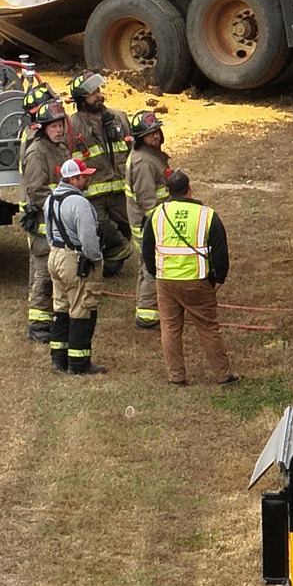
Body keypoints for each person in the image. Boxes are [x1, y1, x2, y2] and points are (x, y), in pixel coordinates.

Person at [141, 170, 236, 387]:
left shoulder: (157, 214)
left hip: (166, 281)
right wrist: (219, 277)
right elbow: (220, 252)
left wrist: (156, 274)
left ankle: (176, 376)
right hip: (197, 280)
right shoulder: (206, 215)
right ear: (189, 189)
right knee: (208, 327)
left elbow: (147, 249)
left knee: (170, 329)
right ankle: (224, 375)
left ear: (168, 192)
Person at [43, 156, 106, 375]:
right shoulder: (79, 203)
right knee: (82, 309)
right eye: (84, 176)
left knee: (61, 308)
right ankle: (79, 364)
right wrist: (96, 259)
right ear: (73, 179)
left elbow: (49, 233)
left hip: (55, 256)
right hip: (74, 260)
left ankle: (58, 359)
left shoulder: (50, 199)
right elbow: (89, 240)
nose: (88, 179)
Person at [66, 72, 132, 277]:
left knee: (127, 228)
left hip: (120, 188)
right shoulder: (72, 126)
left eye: (98, 90)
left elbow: (131, 152)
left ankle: (112, 257)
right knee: (100, 225)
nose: (98, 95)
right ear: (80, 99)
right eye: (91, 93)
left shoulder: (118, 117)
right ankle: (112, 250)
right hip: (92, 192)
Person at [18, 99, 72, 343]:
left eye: (60, 125)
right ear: (42, 128)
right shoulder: (37, 152)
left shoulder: (60, 149)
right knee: (43, 273)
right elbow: (37, 190)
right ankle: (38, 325)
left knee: (54, 272)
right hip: (43, 225)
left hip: (57, 223)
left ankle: (52, 316)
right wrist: (61, 207)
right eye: (53, 126)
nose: (59, 129)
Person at [125, 109, 171, 329]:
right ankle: (147, 316)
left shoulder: (151, 155)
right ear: (141, 138)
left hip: (153, 223)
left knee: (147, 267)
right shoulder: (143, 163)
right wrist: (161, 226)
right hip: (150, 225)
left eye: (157, 132)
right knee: (151, 269)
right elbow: (147, 201)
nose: (156, 136)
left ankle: (149, 308)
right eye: (151, 134)